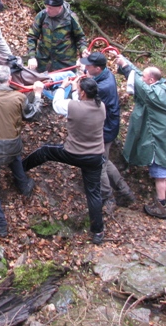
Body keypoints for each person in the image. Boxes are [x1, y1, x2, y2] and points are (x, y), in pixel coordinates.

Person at [23, 77, 107, 245]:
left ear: (83, 92)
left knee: (46, 151)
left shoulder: (74, 107)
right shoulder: (101, 106)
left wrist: (62, 86)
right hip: (95, 156)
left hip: (74, 153)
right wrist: (76, 88)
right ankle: (98, 231)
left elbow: (57, 104)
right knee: (93, 193)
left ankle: (20, 168)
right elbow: (79, 102)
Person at [115, 55, 166, 220]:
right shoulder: (162, 87)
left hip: (160, 144)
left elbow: (144, 88)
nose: (142, 79)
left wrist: (126, 68)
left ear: (151, 79)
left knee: (160, 177)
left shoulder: (155, 93)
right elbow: (140, 76)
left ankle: (161, 205)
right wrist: (125, 62)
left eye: (145, 78)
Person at [0, 65, 44, 237]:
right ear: (9, 80)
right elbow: (33, 115)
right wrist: (37, 95)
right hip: (12, 145)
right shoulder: (19, 97)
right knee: (15, 157)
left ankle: (0, 224)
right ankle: (24, 186)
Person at [79, 52, 135, 213]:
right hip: (108, 126)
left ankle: (108, 197)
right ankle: (124, 191)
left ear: (97, 68)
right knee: (104, 159)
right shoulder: (104, 75)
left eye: (88, 66)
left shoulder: (102, 87)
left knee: (99, 164)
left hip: (104, 130)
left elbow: (82, 101)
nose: (86, 67)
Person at [26, 0, 88, 73]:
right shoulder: (42, 16)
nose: (47, 10)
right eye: (46, 7)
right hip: (44, 62)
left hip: (64, 64)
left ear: (60, 7)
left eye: (50, 8)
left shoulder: (71, 18)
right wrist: (32, 57)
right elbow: (32, 36)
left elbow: (80, 37)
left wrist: (83, 50)